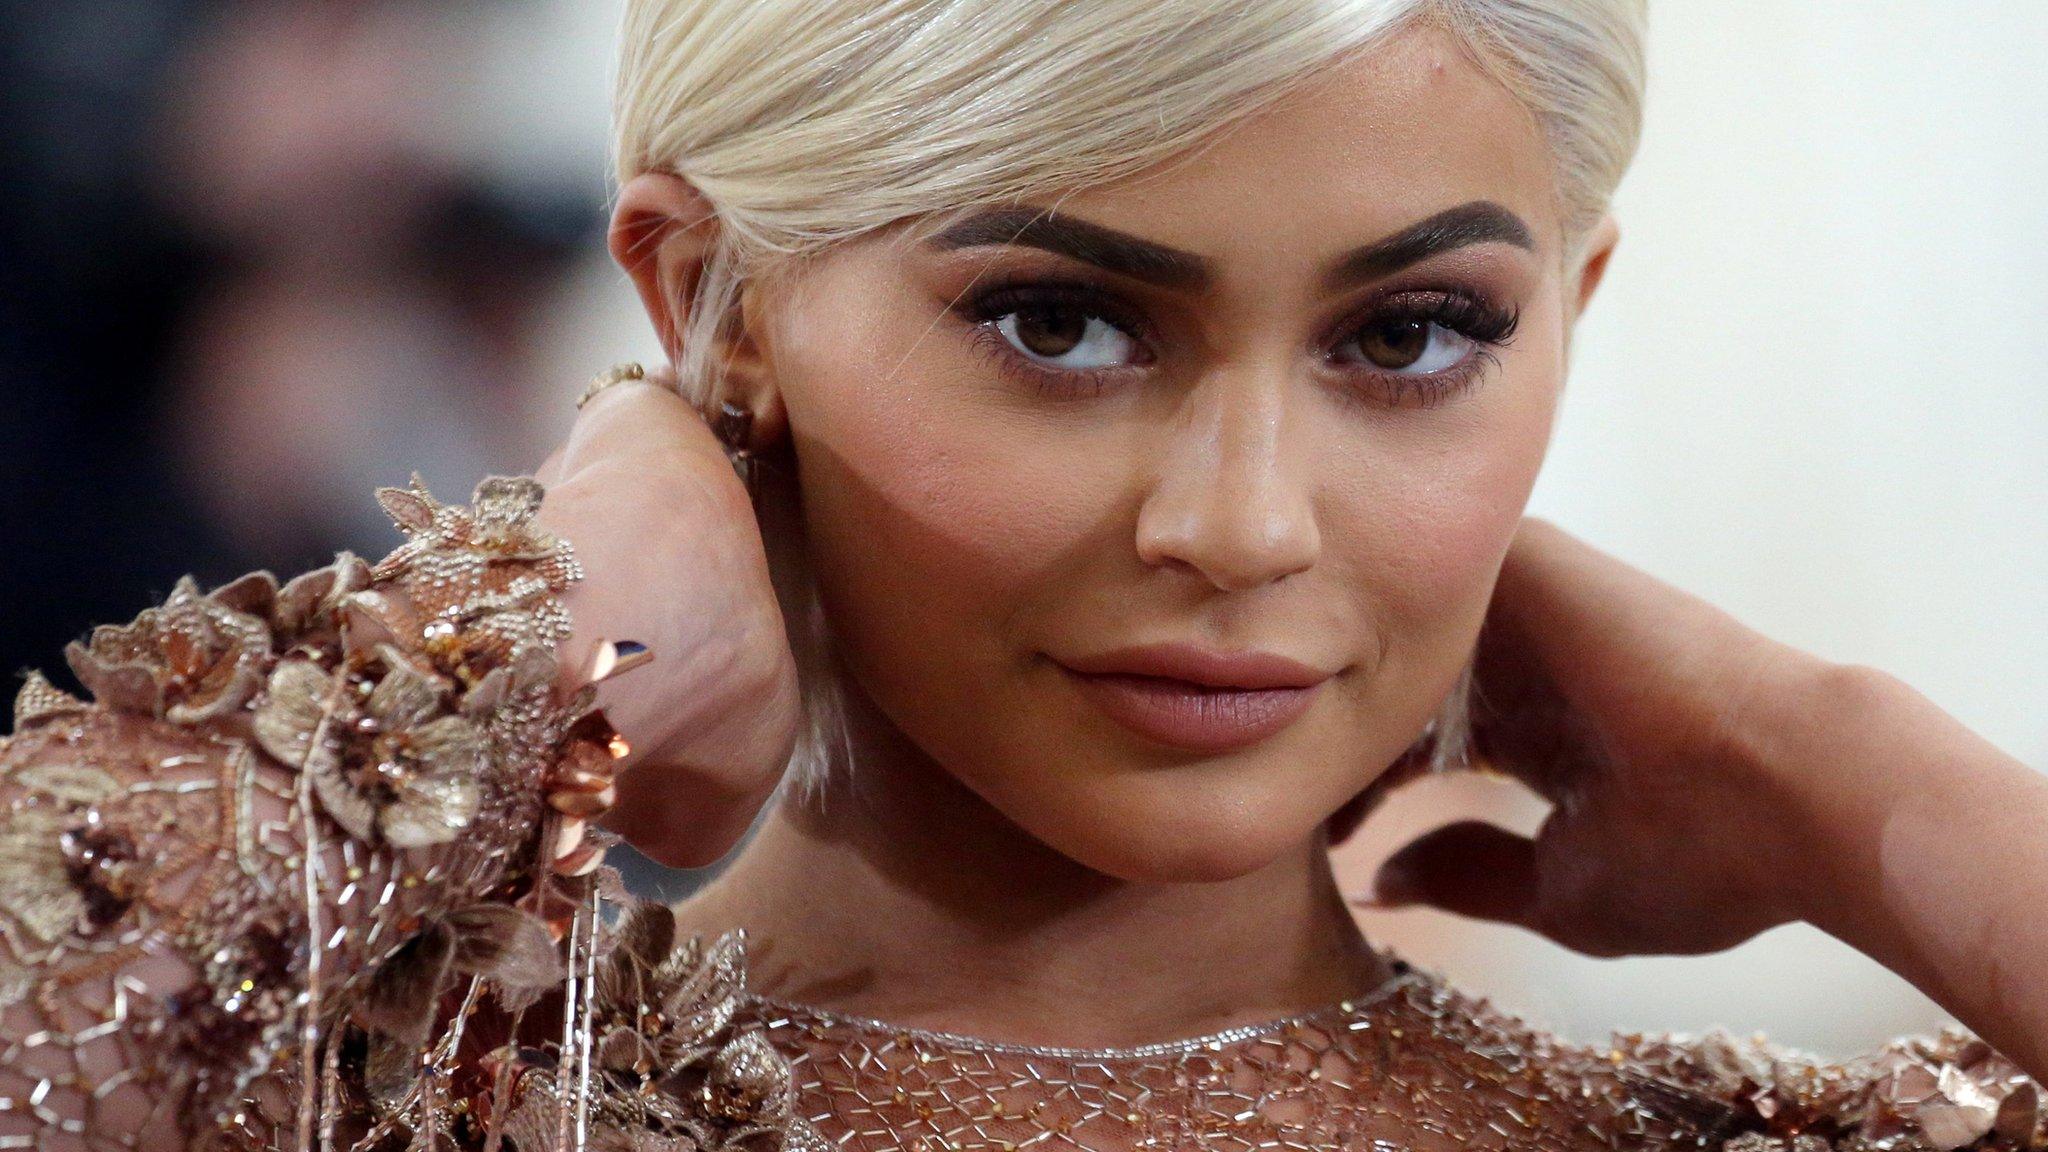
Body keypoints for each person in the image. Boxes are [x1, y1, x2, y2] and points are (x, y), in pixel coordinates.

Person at [1, 1, 2043, 1149]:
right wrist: (551, 617)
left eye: (1410, 334)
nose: (1242, 527)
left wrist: (1854, 784)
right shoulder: (356, 1111)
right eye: (1062, 323)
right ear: (713, 299)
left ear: (1568, 309)